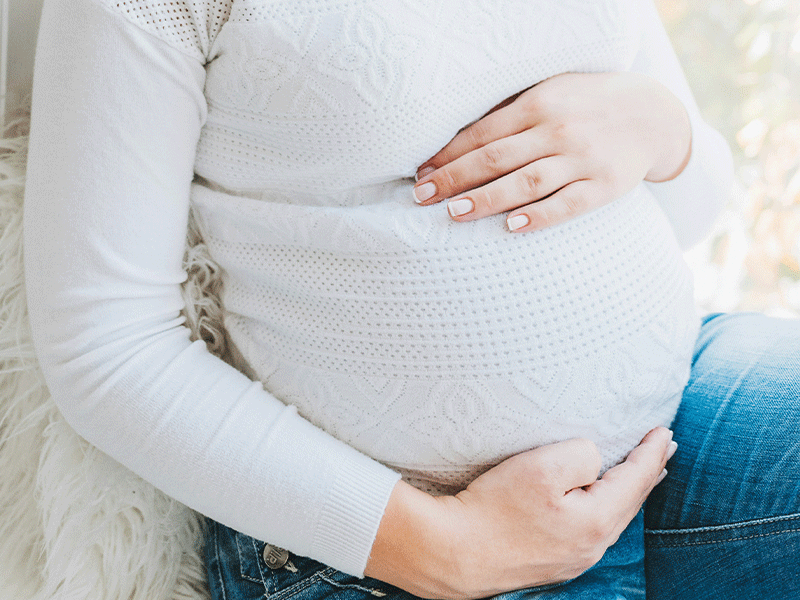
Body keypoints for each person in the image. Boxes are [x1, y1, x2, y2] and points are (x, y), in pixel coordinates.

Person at [22, 1, 800, 599]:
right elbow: (105, 345)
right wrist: (444, 548)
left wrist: (665, 131)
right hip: (383, 545)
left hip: (671, 427)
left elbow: (691, 209)